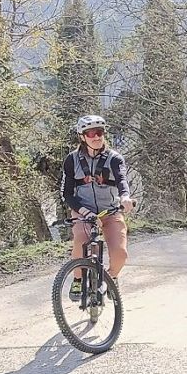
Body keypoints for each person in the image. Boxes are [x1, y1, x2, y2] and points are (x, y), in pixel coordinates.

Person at [58, 114, 133, 297]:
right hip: (83, 211)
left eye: (100, 132)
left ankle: (110, 278)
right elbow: (67, 193)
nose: (97, 137)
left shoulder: (114, 158)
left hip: (110, 210)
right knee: (81, 239)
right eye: (91, 133)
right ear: (82, 137)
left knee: (120, 253)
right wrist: (84, 212)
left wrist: (125, 197)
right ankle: (78, 280)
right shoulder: (72, 160)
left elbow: (122, 179)